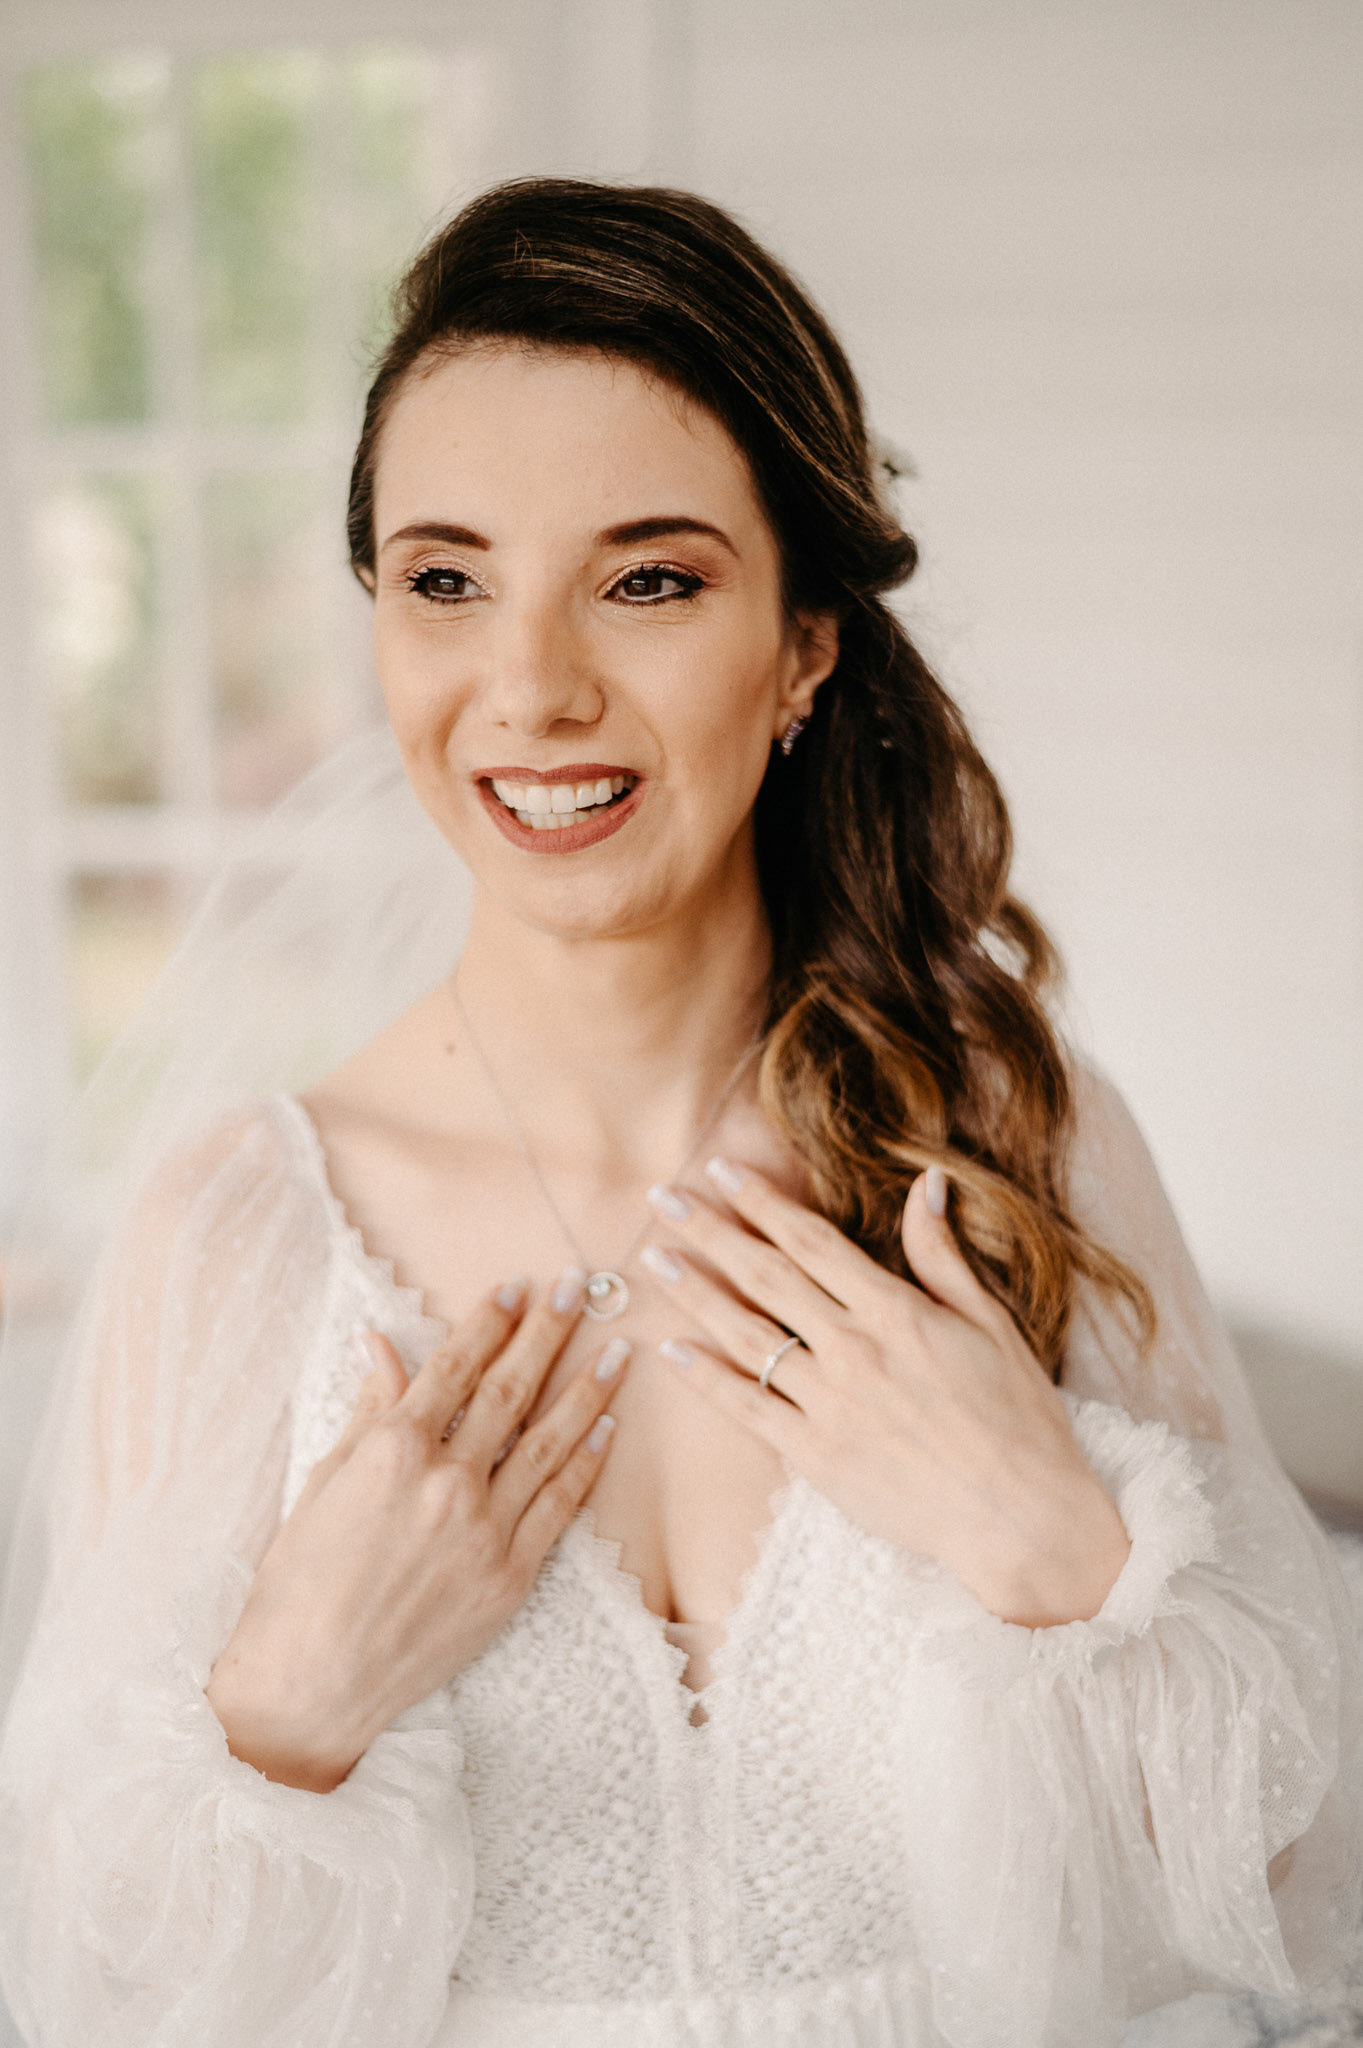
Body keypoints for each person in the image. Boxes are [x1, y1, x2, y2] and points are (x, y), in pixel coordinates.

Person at [0, 177, 1358, 2048]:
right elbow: (107, 1988)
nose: (532, 689)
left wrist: (1058, 1548)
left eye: (647, 580)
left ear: (804, 643)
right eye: (447, 581)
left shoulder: (1019, 1147)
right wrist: (296, 1702)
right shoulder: (244, 1229)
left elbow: (1285, 1896)